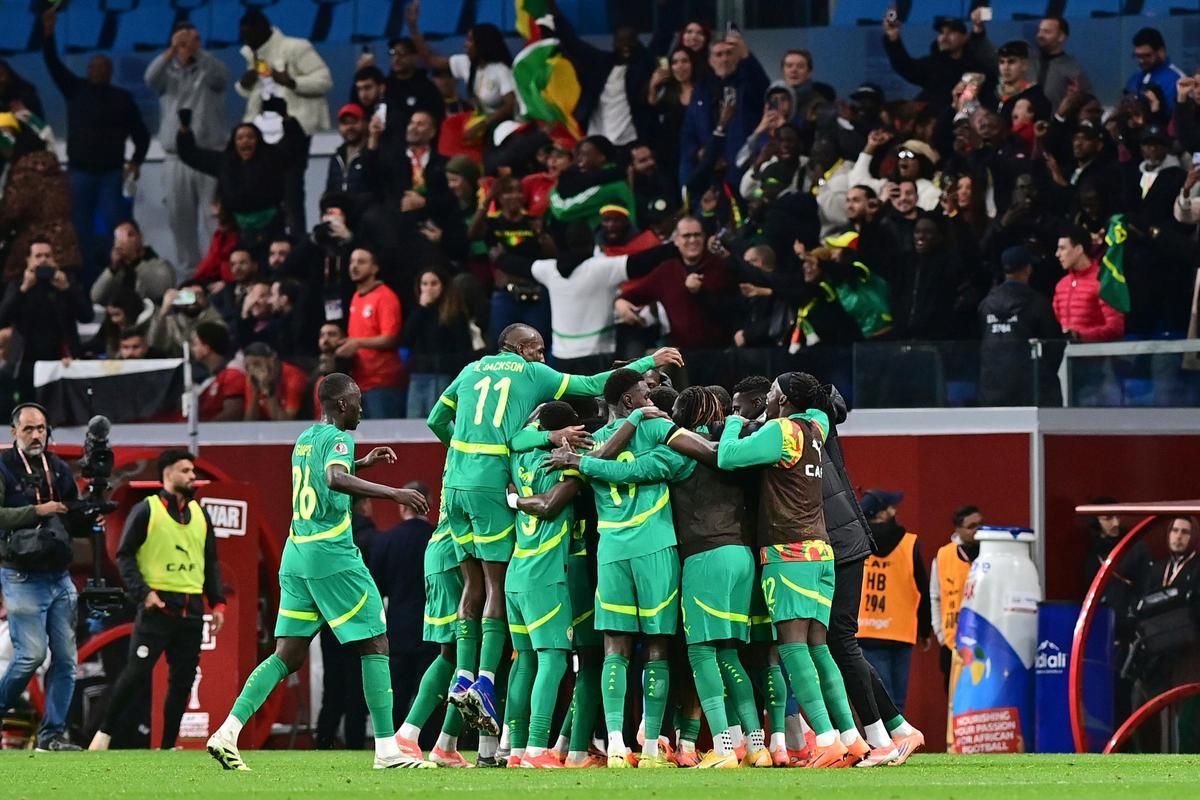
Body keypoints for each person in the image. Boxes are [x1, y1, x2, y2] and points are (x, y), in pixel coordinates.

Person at [425, 325, 681, 741]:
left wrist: (464, 450)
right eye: (539, 350)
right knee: (544, 648)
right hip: (554, 564)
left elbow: (436, 419)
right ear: (522, 349)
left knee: (476, 588)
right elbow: (595, 384)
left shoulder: (471, 371)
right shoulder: (533, 378)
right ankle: (494, 690)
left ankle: (470, 693)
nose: (543, 357)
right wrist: (651, 360)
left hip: (457, 482)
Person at [206, 373, 432, 771]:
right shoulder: (340, 439)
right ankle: (387, 750)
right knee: (376, 644)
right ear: (342, 404)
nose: (363, 406)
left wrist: (364, 463)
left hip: (296, 555)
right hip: (331, 553)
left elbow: (324, 475)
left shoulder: (306, 438)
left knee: (286, 655)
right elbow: (333, 478)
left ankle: (227, 732)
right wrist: (394, 492)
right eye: (358, 399)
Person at [716, 372, 867, 767]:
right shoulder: (817, 426)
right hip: (822, 552)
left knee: (793, 646)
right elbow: (821, 406)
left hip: (788, 552)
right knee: (819, 646)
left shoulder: (782, 432)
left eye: (771, 393)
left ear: (783, 400)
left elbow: (727, 456)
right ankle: (851, 737)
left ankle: (828, 739)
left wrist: (735, 421)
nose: (766, 398)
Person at [89, 451, 225, 751]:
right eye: (185, 470)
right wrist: (144, 593)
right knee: (136, 673)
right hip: (157, 606)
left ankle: (167, 746)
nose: (192, 476)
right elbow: (124, 555)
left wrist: (218, 604)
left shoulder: (201, 516)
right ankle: (103, 735)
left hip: (191, 608)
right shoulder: (146, 510)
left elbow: (211, 562)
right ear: (167, 474)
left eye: (193, 470)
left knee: (183, 681)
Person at [498, 401, 588, 768]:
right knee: (552, 662)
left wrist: (514, 498)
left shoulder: (518, 460)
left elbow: (515, 438)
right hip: (545, 577)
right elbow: (551, 505)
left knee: (524, 664)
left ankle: (515, 751)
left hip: (515, 574)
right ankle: (537, 748)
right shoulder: (564, 468)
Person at [40, 9, 150, 280]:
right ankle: (84, 281)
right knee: (78, 230)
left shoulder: (122, 99)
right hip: (79, 173)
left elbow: (142, 134)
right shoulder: (75, 89)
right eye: (92, 67)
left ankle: (122, 278)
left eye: (102, 67)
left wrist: (136, 160)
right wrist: (48, 34)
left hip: (110, 174)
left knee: (117, 228)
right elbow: (52, 62)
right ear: (87, 70)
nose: (96, 70)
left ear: (109, 72)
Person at [0, 403, 80, 751]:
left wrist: (89, 517)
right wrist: (36, 511)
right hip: (21, 574)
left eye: (42, 429)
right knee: (31, 656)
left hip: (58, 574)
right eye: (29, 429)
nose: (36, 435)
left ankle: (52, 735)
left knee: (66, 660)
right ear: (13, 432)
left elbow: (72, 515)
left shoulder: (59, 469)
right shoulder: (2, 466)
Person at [390, 490, 471, 768]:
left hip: (447, 553)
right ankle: (413, 735)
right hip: (457, 556)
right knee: (467, 653)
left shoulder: (464, 452)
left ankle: (441, 742)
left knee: (456, 655)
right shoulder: (483, 453)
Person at [235, 9, 333, 234]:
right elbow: (252, 94)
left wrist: (291, 81)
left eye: (249, 37)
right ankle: (271, 248)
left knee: (291, 194)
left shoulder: (296, 48)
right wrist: (244, 84)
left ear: (263, 30)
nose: (246, 42)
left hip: (292, 133)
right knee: (264, 197)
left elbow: (324, 81)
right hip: (262, 135)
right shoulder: (253, 55)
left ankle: (297, 246)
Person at [145, 20, 229, 273]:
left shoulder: (208, 71)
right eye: (181, 42)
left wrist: (198, 52)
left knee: (215, 219)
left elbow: (223, 78)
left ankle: (222, 274)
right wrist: (171, 51)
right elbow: (149, 78)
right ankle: (190, 276)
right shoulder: (166, 75)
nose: (186, 47)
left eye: (191, 41)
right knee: (180, 222)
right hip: (175, 159)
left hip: (209, 156)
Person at [856, 490, 932, 714]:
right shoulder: (909, 543)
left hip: (865, 630)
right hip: (900, 632)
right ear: (881, 514)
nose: (895, 510)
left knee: (879, 697)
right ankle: (898, 744)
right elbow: (923, 589)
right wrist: (925, 630)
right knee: (898, 700)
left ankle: (885, 744)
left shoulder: (857, 541)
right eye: (890, 507)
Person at [406, 1, 515, 150]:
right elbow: (430, 59)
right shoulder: (466, 63)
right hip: (480, 128)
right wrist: (413, 28)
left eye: (470, 40)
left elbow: (510, 106)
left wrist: (483, 125)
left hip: (503, 130)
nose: (465, 44)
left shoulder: (501, 70)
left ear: (482, 44)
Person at [617, 216, 735, 349]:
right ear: (676, 240)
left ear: (704, 238)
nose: (692, 240)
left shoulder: (719, 267)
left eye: (697, 235)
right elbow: (632, 295)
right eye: (686, 236)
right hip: (683, 355)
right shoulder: (666, 271)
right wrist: (620, 302)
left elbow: (730, 310)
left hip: (719, 352)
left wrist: (701, 292)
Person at [0, 240, 93, 402]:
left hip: (62, 361)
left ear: (54, 259)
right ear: (28, 260)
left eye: (47, 256)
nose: (43, 260)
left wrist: (67, 289)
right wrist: (23, 289)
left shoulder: (66, 281)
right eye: (38, 256)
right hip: (26, 361)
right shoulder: (17, 283)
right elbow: (2, 319)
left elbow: (87, 316)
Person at [977, 245, 1064, 407]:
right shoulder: (1038, 303)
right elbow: (1055, 344)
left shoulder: (986, 304)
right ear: (1028, 269)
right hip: (1032, 391)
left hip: (992, 389)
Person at [881, 11, 994, 112]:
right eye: (941, 33)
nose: (944, 37)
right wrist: (893, 40)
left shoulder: (976, 68)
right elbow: (905, 66)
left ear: (964, 38)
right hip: (934, 127)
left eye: (951, 32)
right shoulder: (931, 64)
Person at [340, 248, 405, 419]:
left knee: (384, 438)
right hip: (360, 383)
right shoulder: (356, 297)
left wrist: (357, 343)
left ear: (375, 268)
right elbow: (358, 336)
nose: (354, 267)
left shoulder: (385, 297)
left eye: (361, 262)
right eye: (352, 262)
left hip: (383, 383)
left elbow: (391, 338)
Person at [401, 268, 474, 419]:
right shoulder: (417, 312)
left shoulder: (454, 314)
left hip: (443, 375)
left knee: (437, 420)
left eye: (433, 284)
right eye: (424, 284)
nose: (428, 288)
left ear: (443, 286)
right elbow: (406, 338)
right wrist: (422, 308)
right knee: (413, 421)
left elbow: (463, 348)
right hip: (418, 375)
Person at [930, 505, 983, 687]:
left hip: (983, 638)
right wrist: (941, 634)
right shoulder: (943, 556)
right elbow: (935, 596)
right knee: (953, 694)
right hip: (953, 640)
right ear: (958, 530)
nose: (978, 530)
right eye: (971, 526)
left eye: (980, 524)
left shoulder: (989, 553)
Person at [1052, 227, 1125, 343]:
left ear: (1079, 249)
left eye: (1062, 248)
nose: (1057, 254)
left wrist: (1079, 336)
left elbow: (1116, 328)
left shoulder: (1104, 281)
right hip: (1067, 357)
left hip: (1099, 357)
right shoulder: (1061, 285)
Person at [91, 221, 176, 307]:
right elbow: (96, 298)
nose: (123, 241)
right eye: (117, 238)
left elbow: (159, 291)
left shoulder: (160, 265)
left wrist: (134, 263)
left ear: (140, 237)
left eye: (130, 235)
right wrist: (113, 269)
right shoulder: (117, 271)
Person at [148, 284, 226, 358]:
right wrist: (163, 312)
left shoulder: (213, 319)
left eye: (197, 295)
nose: (192, 300)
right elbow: (155, 345)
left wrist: (207, 305)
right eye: (186, 296)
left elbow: (219, 338)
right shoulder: (171, 321)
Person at [1032, 17, 1092, 109]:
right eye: (1039, 31)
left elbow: (1089, 101)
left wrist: (1077, 98)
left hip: (1055, 121)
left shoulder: (1073, 69)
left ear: (1061, 37)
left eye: (1046, 32)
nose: (1040, 35)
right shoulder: (1027, 63)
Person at [190, 322, 245, 422]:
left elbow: (233, 413)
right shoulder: (212, 377)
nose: (192, 349)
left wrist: (205, 429)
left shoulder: (232, 375)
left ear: (206, 349)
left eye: (195, 344)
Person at [1125, 28, 1186, 114]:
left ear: (1161, 51)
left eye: (1146, 55)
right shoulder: (1137, 75)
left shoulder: (1178, 79)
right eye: (1138, 56)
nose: (1141, 60)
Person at [242, 341, 307, 421]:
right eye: (247, 367)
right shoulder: (252, 378)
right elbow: (249, 422)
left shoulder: (294, 378)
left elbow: (285, 423)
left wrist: (268, 389)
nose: (252, 370)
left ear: (272, 359)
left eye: (256, 364)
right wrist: (255, 391)